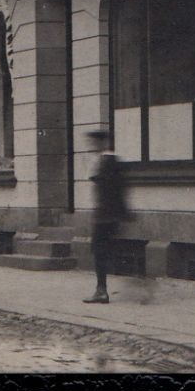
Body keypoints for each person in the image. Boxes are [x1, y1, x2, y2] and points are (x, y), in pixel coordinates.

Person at [83, 128, 130, 304]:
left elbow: (117, 190)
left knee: (100, 251)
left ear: (103, 142)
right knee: (105, 250)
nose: (91, 145)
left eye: (94, 142)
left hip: (106, 215)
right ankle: (103, 289)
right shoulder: (104, 160)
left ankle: (101, 291)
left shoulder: (109, 161)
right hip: (107, 215)